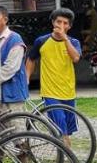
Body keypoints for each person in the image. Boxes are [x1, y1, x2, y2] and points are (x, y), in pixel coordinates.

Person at [27, 7, 82, 143]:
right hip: (50, 92)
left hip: (68, 91)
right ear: (53, 22)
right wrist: (26, 77)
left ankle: (64, 157)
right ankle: (68, 160)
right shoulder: (42, 41)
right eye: (59, 22)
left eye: (65, 23)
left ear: (69, 26)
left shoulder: (73, 42)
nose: (61, 26)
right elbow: (31, 59)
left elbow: (75, 58)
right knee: (59, 127)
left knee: (67, 130)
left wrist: (65, 39)